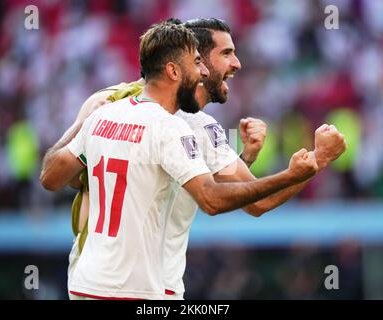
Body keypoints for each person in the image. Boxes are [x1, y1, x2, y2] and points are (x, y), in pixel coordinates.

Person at [66, 18, 346, 300]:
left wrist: (244, 158)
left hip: (90, 280)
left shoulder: (113, 104)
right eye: (226, 53)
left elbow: (63, 176)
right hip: (146, 289)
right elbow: (250, 203)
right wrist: (318, 160)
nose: (236, 64)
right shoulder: (191, 125)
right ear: (194, 60)